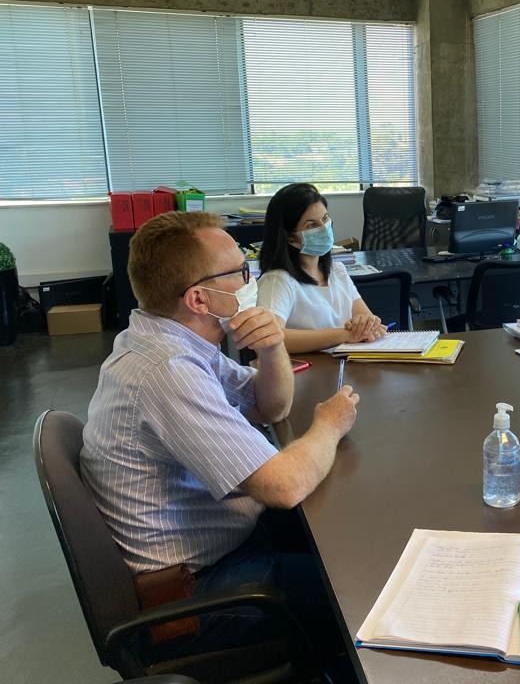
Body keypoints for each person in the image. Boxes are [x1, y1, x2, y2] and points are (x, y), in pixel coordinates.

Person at [79, 211, 361, 673]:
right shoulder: (166, 371)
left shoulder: (169, 339)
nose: (252, 282)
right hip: (193, 597)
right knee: (356, 591)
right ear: (199, 298)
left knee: (341, 538)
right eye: (241, 272)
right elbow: (284, 486)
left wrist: (272, 347)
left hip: (218, 550)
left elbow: (270, 407)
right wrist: (328, 425)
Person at [258, 182, 387, 353]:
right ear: (290, 237)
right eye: (311, 225)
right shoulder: (278, 280)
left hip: (347, 364)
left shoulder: (337, 272)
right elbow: (269, 338)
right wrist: (344, 335)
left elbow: (366, 320)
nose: (323, 228)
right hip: (309, 368)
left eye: (325, 218)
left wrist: (368, 324)